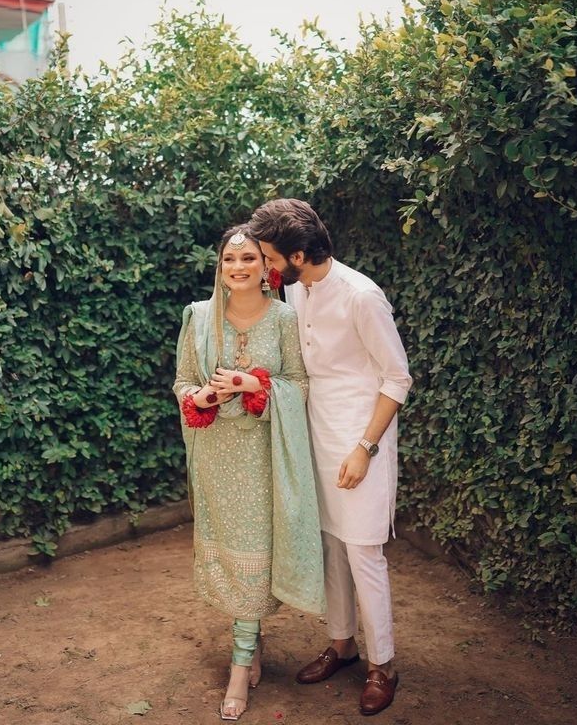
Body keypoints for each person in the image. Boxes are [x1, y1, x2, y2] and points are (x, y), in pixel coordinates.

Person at [249, 199, 413, 717]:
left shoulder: (362, 295)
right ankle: (343, 645)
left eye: (272, 258)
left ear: (298, 254)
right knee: (331, 550)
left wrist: (365, 449)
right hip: (313, 440)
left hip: (360, 443)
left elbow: (398, 378)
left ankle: (382, 665)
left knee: (363, 553)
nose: (268, 268)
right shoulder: (296, 292)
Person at [172, 224, 325, 721]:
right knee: (231, 552)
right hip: (217, 454)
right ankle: (249, 640)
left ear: (265, 268)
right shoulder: (197, 317)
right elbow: (182, 383)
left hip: (263, 454)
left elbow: (299, 384)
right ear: (220, 267)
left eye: (249, 260)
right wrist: (202, 396)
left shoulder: (284, 318)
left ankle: (240, 664)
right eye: (229, 260)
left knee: (256, 551)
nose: (238, 268)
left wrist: (251, 383)